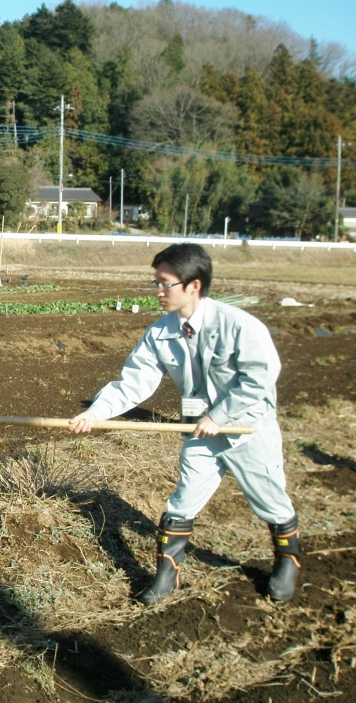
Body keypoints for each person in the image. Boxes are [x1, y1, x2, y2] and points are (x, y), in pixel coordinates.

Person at [67, 243, 301, 604]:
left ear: (193, 285)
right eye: (155, 282)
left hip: (247, 429)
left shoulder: (238, 325)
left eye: (165, 283)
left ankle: (287, 562)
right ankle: (167, 577)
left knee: (271, 501)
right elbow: (134, 382)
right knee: (182, 503)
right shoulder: (161, 333)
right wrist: (96, 413)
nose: (158, 291)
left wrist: (219, 416)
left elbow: (260, 378)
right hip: (200, 433)